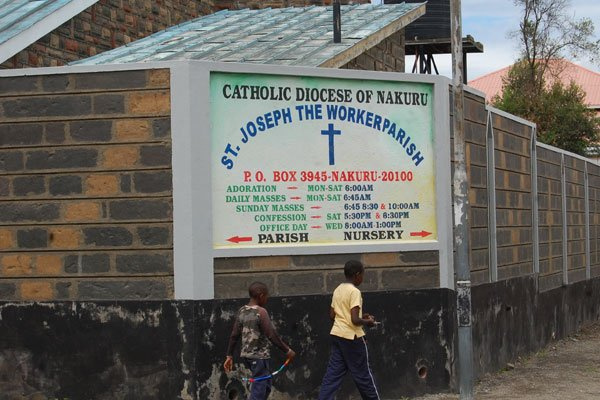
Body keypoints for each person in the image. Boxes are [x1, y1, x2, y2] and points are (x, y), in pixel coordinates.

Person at [318, 260, 380, 400]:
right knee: (364, 376)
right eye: (362, 275)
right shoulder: (354, 292)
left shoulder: (338, 289)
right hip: (353, 338)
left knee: (332, 375)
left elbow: (332, 315)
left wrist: (360, 317)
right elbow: (354, 320)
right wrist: (368, 322)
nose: (362, 278)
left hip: (337, 335)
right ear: (357, 275)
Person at [224, 281, 296, 400]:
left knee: (266, 385)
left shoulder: (242, 311)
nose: (267, 299)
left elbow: (234, 335)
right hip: (258, 357)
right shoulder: (261, 312)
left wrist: (229, 355)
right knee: (259, 389)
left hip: (248, 357)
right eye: (266, 296)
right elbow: (271, 334)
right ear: (261, 295)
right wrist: (287, 350)